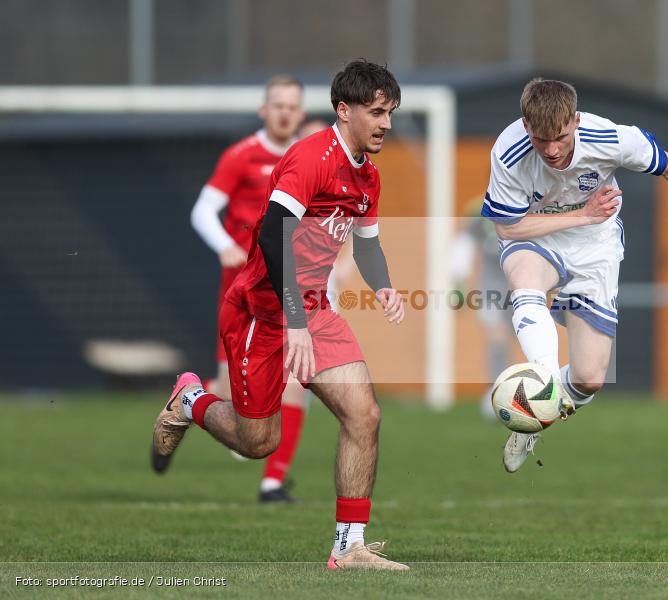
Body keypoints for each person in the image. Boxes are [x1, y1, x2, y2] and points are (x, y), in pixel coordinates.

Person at [152, 60, 409, 570]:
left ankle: (348, 548)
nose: (385, 123)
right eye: (377, 113)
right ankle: (191, 401)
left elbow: (367, 247)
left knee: (365, 416)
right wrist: (293, 320)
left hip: (313, 308)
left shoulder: (369, 177)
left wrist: (384, 288)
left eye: (390, 113)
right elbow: (272, 234)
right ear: (344, 110)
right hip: (261, 311)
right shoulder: (311, 158)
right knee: (257, 441)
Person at [483, 79, 668, 472]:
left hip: (595, 245)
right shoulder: (509, 152)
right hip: (537, 234)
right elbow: (507, 228)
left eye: (561, 137)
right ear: (526, 125)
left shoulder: (610, 137)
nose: (553, 150)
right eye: (542, 139)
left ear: (576, 122)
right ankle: (540, 380)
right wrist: (580, 214)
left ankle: (531, 420)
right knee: (525, 277)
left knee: (589, 378)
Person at [188, 77, 315, 503]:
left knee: (298, 380)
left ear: (301, 112)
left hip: (288, 289)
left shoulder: (307, 158)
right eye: (277, 104)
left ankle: (272, 484)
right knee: (236, 403)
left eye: (291, 106)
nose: (284, 112)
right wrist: (225, 245)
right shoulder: (241, 155)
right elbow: (203, 210)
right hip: (244, 291)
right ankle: (190, 399)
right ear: (264, 110)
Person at [450, 197, 515, 420]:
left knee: (524, 337)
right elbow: (463, 245)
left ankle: (535, 395)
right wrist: (459, 284)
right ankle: (496, 393)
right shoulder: (479, 209)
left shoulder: (532, 199)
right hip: (491, 285)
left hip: (522, 281)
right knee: (497, 338)